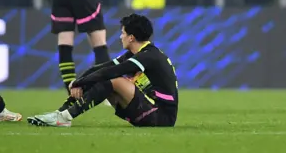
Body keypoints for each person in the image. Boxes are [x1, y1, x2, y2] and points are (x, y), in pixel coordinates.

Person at [27, 13, 178, 127]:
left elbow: (112, 72)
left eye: (123, 33)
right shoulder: (139, 53)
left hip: (161, 117)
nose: (120, 37)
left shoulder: (148, 56)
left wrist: (78, 82)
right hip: (148, 110)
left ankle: (65, 117)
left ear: (131, 37)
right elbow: (102, 67)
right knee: (99, 77)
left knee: (113, 80)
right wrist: (80, 82)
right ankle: (60, 113)